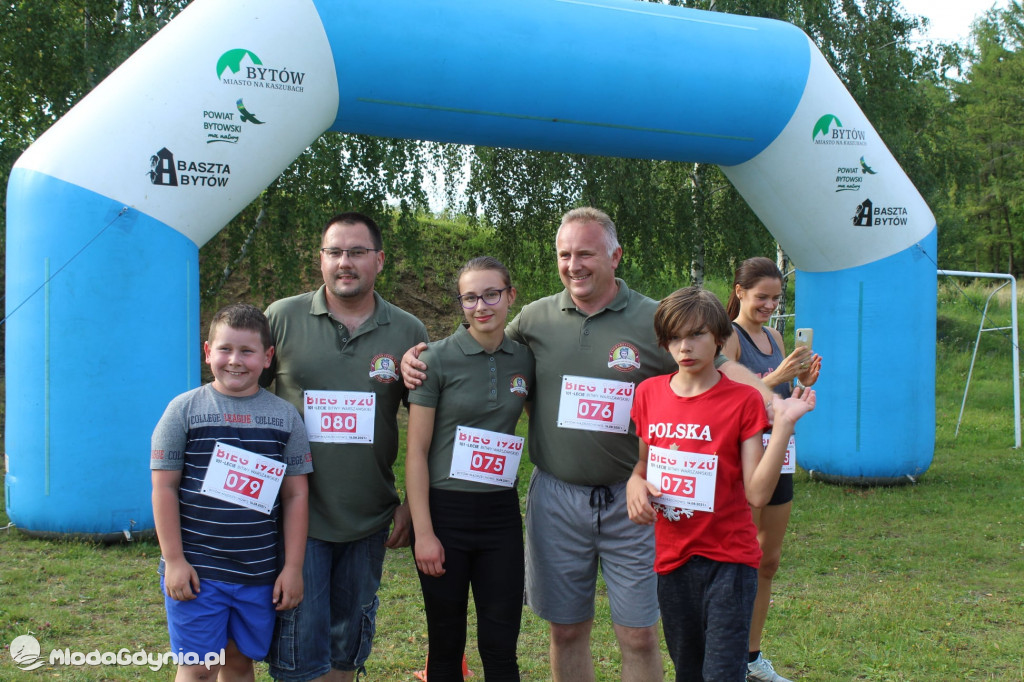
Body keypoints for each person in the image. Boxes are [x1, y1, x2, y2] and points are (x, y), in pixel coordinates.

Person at [404, 207, 769, 681]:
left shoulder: (651, 317)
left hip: (633, 498)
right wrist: (420, 358)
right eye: (564, 254)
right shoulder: (535, 318)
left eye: (585, 254)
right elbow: (483, 341)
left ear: (615, 256)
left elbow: (718, 364)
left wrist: (766, 396)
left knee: (639, 633)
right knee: (567, 631)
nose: (573, 264)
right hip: (557, 496)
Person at [262, 212, 429, 682]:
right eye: (334, 252)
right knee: (297, 645)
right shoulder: (281, 317)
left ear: (379, 260)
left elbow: (425, 427)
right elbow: (244, 401)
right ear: (321, 260)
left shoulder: (408, 331)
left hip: (368, 516)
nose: (344, 262)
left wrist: (412, 507)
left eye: (356, 252)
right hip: (296, 513)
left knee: (346, 647)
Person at [627, 287, 816, 682]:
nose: (685, 346)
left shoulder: (743, 401)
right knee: (689, 672)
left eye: (696, 335)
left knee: (723, 674)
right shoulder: (647, 394)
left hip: (729, 561)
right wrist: (634, 485)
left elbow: (758, 493)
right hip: (672, 560)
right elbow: (642, 465)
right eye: (675, 337)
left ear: (718, 337)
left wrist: (782, 424)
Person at [151, 303, 312, 682]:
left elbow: (296, 496)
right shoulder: (183, 410)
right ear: (208, 352)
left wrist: (291, 568)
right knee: (199, 668)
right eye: (225, 349)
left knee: (240, 663)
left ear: (268, 356)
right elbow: (164, 486)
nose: (235, 361)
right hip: (197, 572)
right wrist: (173, 559)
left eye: (247, 351)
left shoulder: (285, 417)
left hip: (257, 573)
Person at [405, 256, 534, 681]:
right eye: (470, 297)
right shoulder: (435, 360)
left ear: (510, 296)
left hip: (499, 516)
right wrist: (424, 533)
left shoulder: (525, 359)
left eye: (491, 294)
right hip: (446, 515)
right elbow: (417, 453)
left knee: (501, 648)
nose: (482, 306)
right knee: (445, 646)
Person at [722, 257, 821, 682]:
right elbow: (727, 397)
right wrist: (778, 373)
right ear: (740, 291)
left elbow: (776, 396)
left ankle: (751, 655)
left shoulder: (777, 337)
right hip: (744, 459)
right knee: (740, 559)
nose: (769, 305)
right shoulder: (726, 337)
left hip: (781, 454)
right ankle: (726, 656)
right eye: (762, 297)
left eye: (776, 298)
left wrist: (802, 382)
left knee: (768, 558)